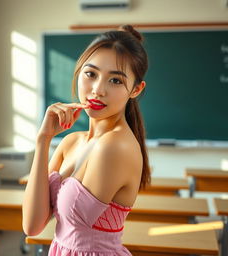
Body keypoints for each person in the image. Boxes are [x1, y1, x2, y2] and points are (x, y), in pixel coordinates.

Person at [22, 24, 151, 255]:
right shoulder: (71, 141)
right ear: (79, 71)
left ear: (136, 89)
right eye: (90, 74)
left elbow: (76, 232)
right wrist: (43, 140)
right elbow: (32, 225)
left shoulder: (115, 147)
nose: (97, 90)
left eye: (115, 81)